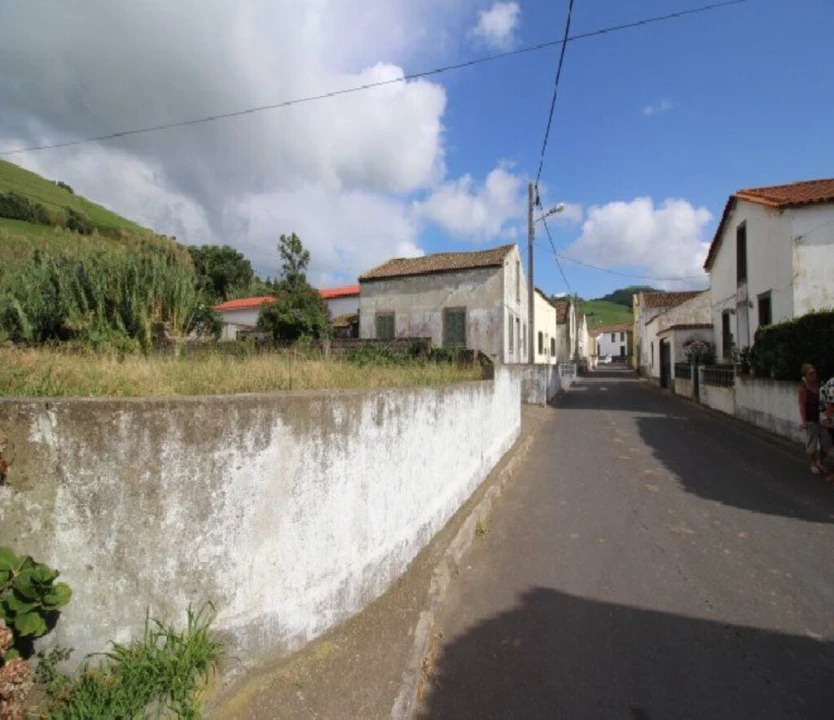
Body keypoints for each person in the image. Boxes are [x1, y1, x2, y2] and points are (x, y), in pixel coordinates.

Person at [798, 363, 831, 477]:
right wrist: (804, 420)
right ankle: (813, 463)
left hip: (822, 419)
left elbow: (827, 402)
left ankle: (820, 461)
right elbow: (802, 405)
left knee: (826, 445)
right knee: (811, 446)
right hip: (811, 420)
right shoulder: (803, 389)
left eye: (814, 373)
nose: (814, 375)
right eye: (811, 373)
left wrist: (828, 417)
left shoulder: (820, 386)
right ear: (805, 376)